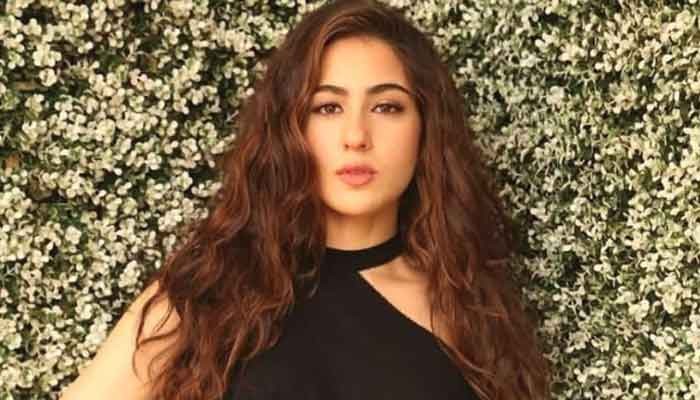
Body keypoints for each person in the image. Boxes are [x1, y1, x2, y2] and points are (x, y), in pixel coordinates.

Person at [60, 0, 552, 399]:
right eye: (327, 107)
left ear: (426, 130)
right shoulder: (206, 289)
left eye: (387, 107)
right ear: (290, 127)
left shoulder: (464, 304)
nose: (356, 136)